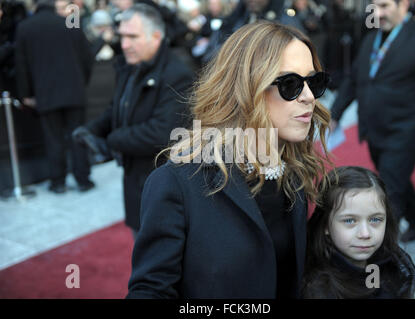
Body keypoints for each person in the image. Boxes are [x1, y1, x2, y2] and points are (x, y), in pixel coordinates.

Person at [127, 20, 332, 298]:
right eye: (291, 84)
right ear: (246, 89)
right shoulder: (176, 184)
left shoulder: (293, 173)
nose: (309, 97)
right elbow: (151, 290)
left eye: (314, 81)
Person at [329, 0, 415, 242]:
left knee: (388, 190)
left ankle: (379, 255)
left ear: (403, 4)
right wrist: (335, 114)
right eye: (375, 7)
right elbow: (354, 79)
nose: (378, 14)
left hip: (406, 131)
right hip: (374, 129)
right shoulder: (370, 39)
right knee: (394, 179)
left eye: (384, 6)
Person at [77, 3, 194, 237]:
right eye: (122, 36)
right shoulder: (130, 67)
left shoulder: (176, 74)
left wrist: (110, 141)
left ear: (157, 36)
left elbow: (162, 133)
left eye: (133, 37)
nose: (124, 44)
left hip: (162, 186)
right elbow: (117, 108)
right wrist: (91, 130)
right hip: (134, 180)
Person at [14, 0, 95, 194]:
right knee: (78, 137)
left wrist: (26, 94)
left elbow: (21, 64)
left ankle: (58, 182)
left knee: (53, 139)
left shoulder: (25, 27)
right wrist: (81, 82)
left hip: (45, 94)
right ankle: (83, 179)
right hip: (74, 91)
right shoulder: (70, 24)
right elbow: (87, 57)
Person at [302, 166, 415, 299]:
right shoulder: (318, 291)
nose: (365, 234)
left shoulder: (386, 264)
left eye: (375, 219)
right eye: (350, 221)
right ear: (326, 225)